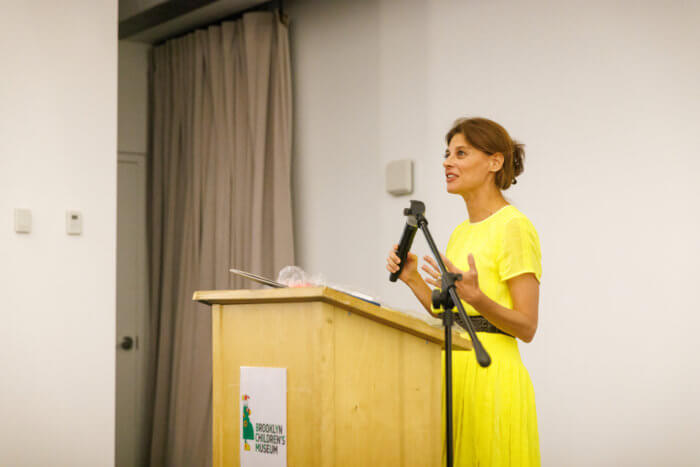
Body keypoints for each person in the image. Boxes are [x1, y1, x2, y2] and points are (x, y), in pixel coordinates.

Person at [386, 117, 542, 466]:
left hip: (492, 374)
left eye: (460, 153)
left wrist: (479, 299)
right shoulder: (459, 233)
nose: (447, 162)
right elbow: (451, 314)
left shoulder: (514, 226)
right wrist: (412, 278)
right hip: (453, 369)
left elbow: (527, 326)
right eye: (447, 154)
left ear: (494, 162)